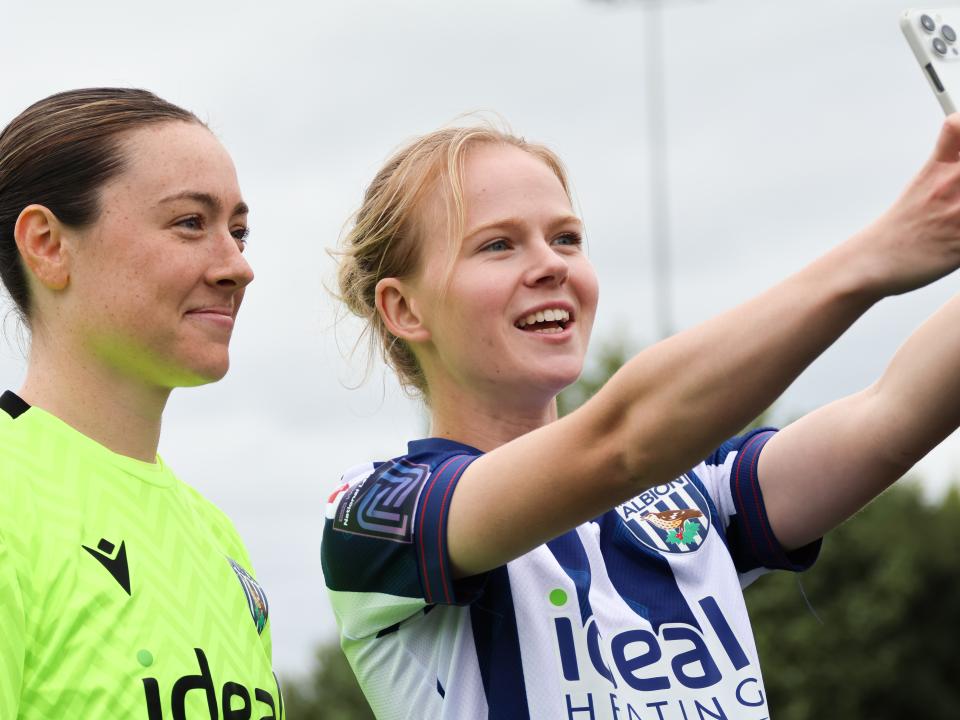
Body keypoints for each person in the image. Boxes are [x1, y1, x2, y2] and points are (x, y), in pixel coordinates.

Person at [322, 120, 960, 719]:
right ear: (404, 308)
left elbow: (891, 413)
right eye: (498, 245)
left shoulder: (693, 486)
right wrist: (879, 253)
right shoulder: (377, 515)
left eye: (566, 238)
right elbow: (621, 443)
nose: (552, 264)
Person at [0, 88, 283, 719]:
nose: (238, 266)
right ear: (47, 243)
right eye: (191, 223)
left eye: (239, 231)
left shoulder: (218, 538)